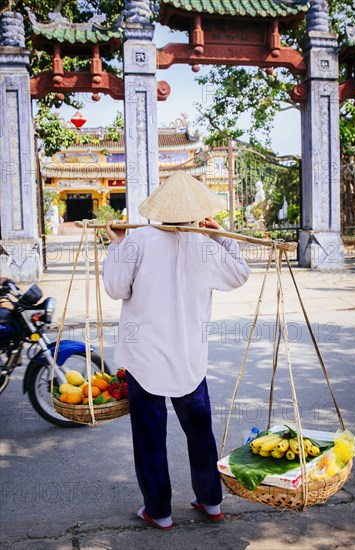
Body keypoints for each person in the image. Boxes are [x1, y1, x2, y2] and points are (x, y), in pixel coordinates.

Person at [103, 171, 250, 530]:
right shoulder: (206, 244)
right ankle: (211, 501)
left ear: (160, 208)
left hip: (146, 360)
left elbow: (115, 288)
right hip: (189, 360)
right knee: (200, 433)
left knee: (150, 437)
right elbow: (240, 274)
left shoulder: (137, 240)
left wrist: (117, 244)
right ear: (196, 211)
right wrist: (219, 236)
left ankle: (159, 511)